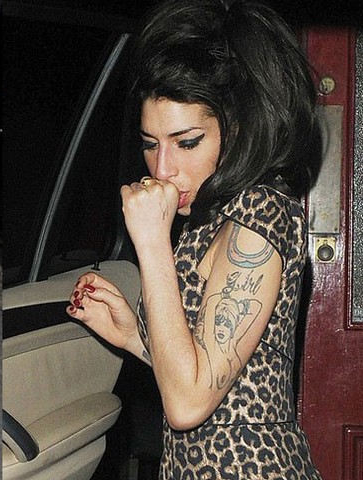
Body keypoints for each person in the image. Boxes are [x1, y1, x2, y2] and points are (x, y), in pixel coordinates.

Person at [66, 0, 324, 477]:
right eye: (150, 144)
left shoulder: (259, 214)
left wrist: (152, 242)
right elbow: (209, 373)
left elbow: (186, 404)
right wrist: (132, 336)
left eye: (186, 142)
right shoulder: (210, 216)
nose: (163, 168)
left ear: (237, 129)